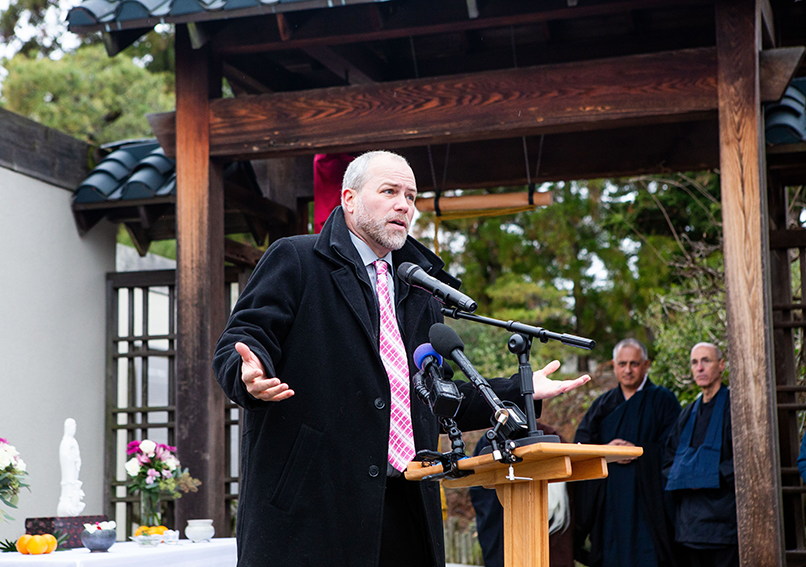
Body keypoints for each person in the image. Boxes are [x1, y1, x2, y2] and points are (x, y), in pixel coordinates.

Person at [212, 150, 590, 567]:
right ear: (348, 199)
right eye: (389, 191)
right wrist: (249, 371)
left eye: (410, 196)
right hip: (314, 510)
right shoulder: (297, 259)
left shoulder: (419, 286)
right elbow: (243, 338)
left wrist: (520, 390)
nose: (403, 205)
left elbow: (434, 400)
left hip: (406, 504)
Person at [573, 338, 681, 567]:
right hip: (611, 500)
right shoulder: (603, 404)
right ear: (614, 365)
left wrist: (641, 452)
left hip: (649, 501)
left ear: (646, 365)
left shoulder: (663, 400)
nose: (628, 370)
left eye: (634, 363)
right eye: (622, 364)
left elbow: (675, 447)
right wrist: (605, 452)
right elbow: (580, 445)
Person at [663, 342, 737, 567]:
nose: (700, 368)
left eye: (706, 361)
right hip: (690, 526)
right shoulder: (687, 414)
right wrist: (687, 477)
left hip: (724, 523)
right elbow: (668, 459)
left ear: (721, 365)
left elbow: (746, 460)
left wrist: (705, 475)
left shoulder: (735, 407)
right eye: (695, 362)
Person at [470, 423, 574, 567]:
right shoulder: (493, 440)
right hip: (506, 531)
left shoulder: (548, 434)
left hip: (551, 535)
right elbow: (480, 488)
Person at [57, 417, 86, 517]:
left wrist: (76, 460)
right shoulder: (65, 442)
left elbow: (77, 454)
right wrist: (71, 458)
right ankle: (69, 502)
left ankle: (73, 502)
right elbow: (64, 455)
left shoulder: (73, 441)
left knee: (74, 482)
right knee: (68, 484)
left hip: (73, 466)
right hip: (68, 467)